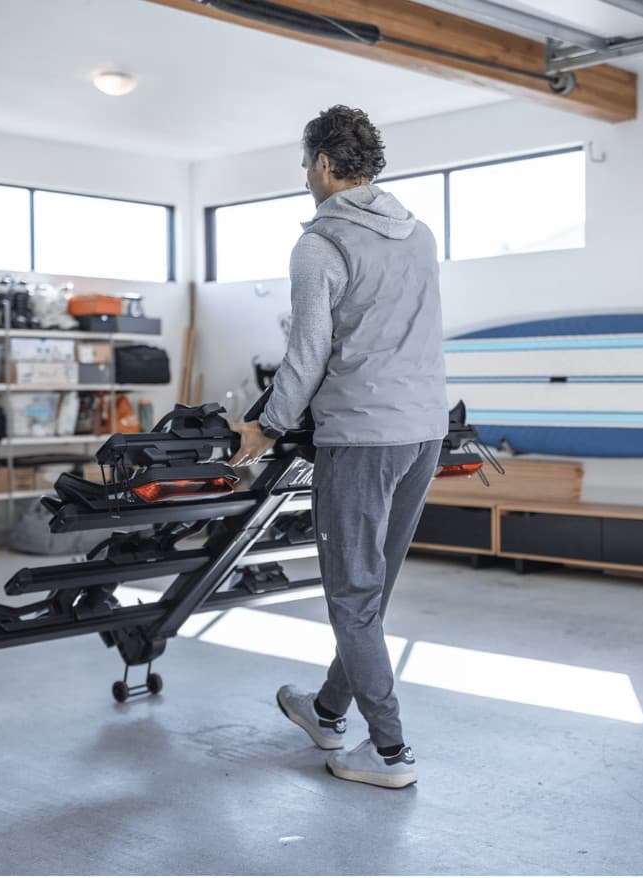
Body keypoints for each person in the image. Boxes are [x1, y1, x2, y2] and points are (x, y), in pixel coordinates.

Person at [229, 105, 448, 789]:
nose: (304, 179)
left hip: (361, 436)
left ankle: (388, 754)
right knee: (371, 591)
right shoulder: (419, 234)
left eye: (304, 166)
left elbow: (307, 352)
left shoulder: (320, 245)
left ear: (324, 165)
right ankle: (327, 711)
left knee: (352, 598)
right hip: (424, 431)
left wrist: (263, 428)